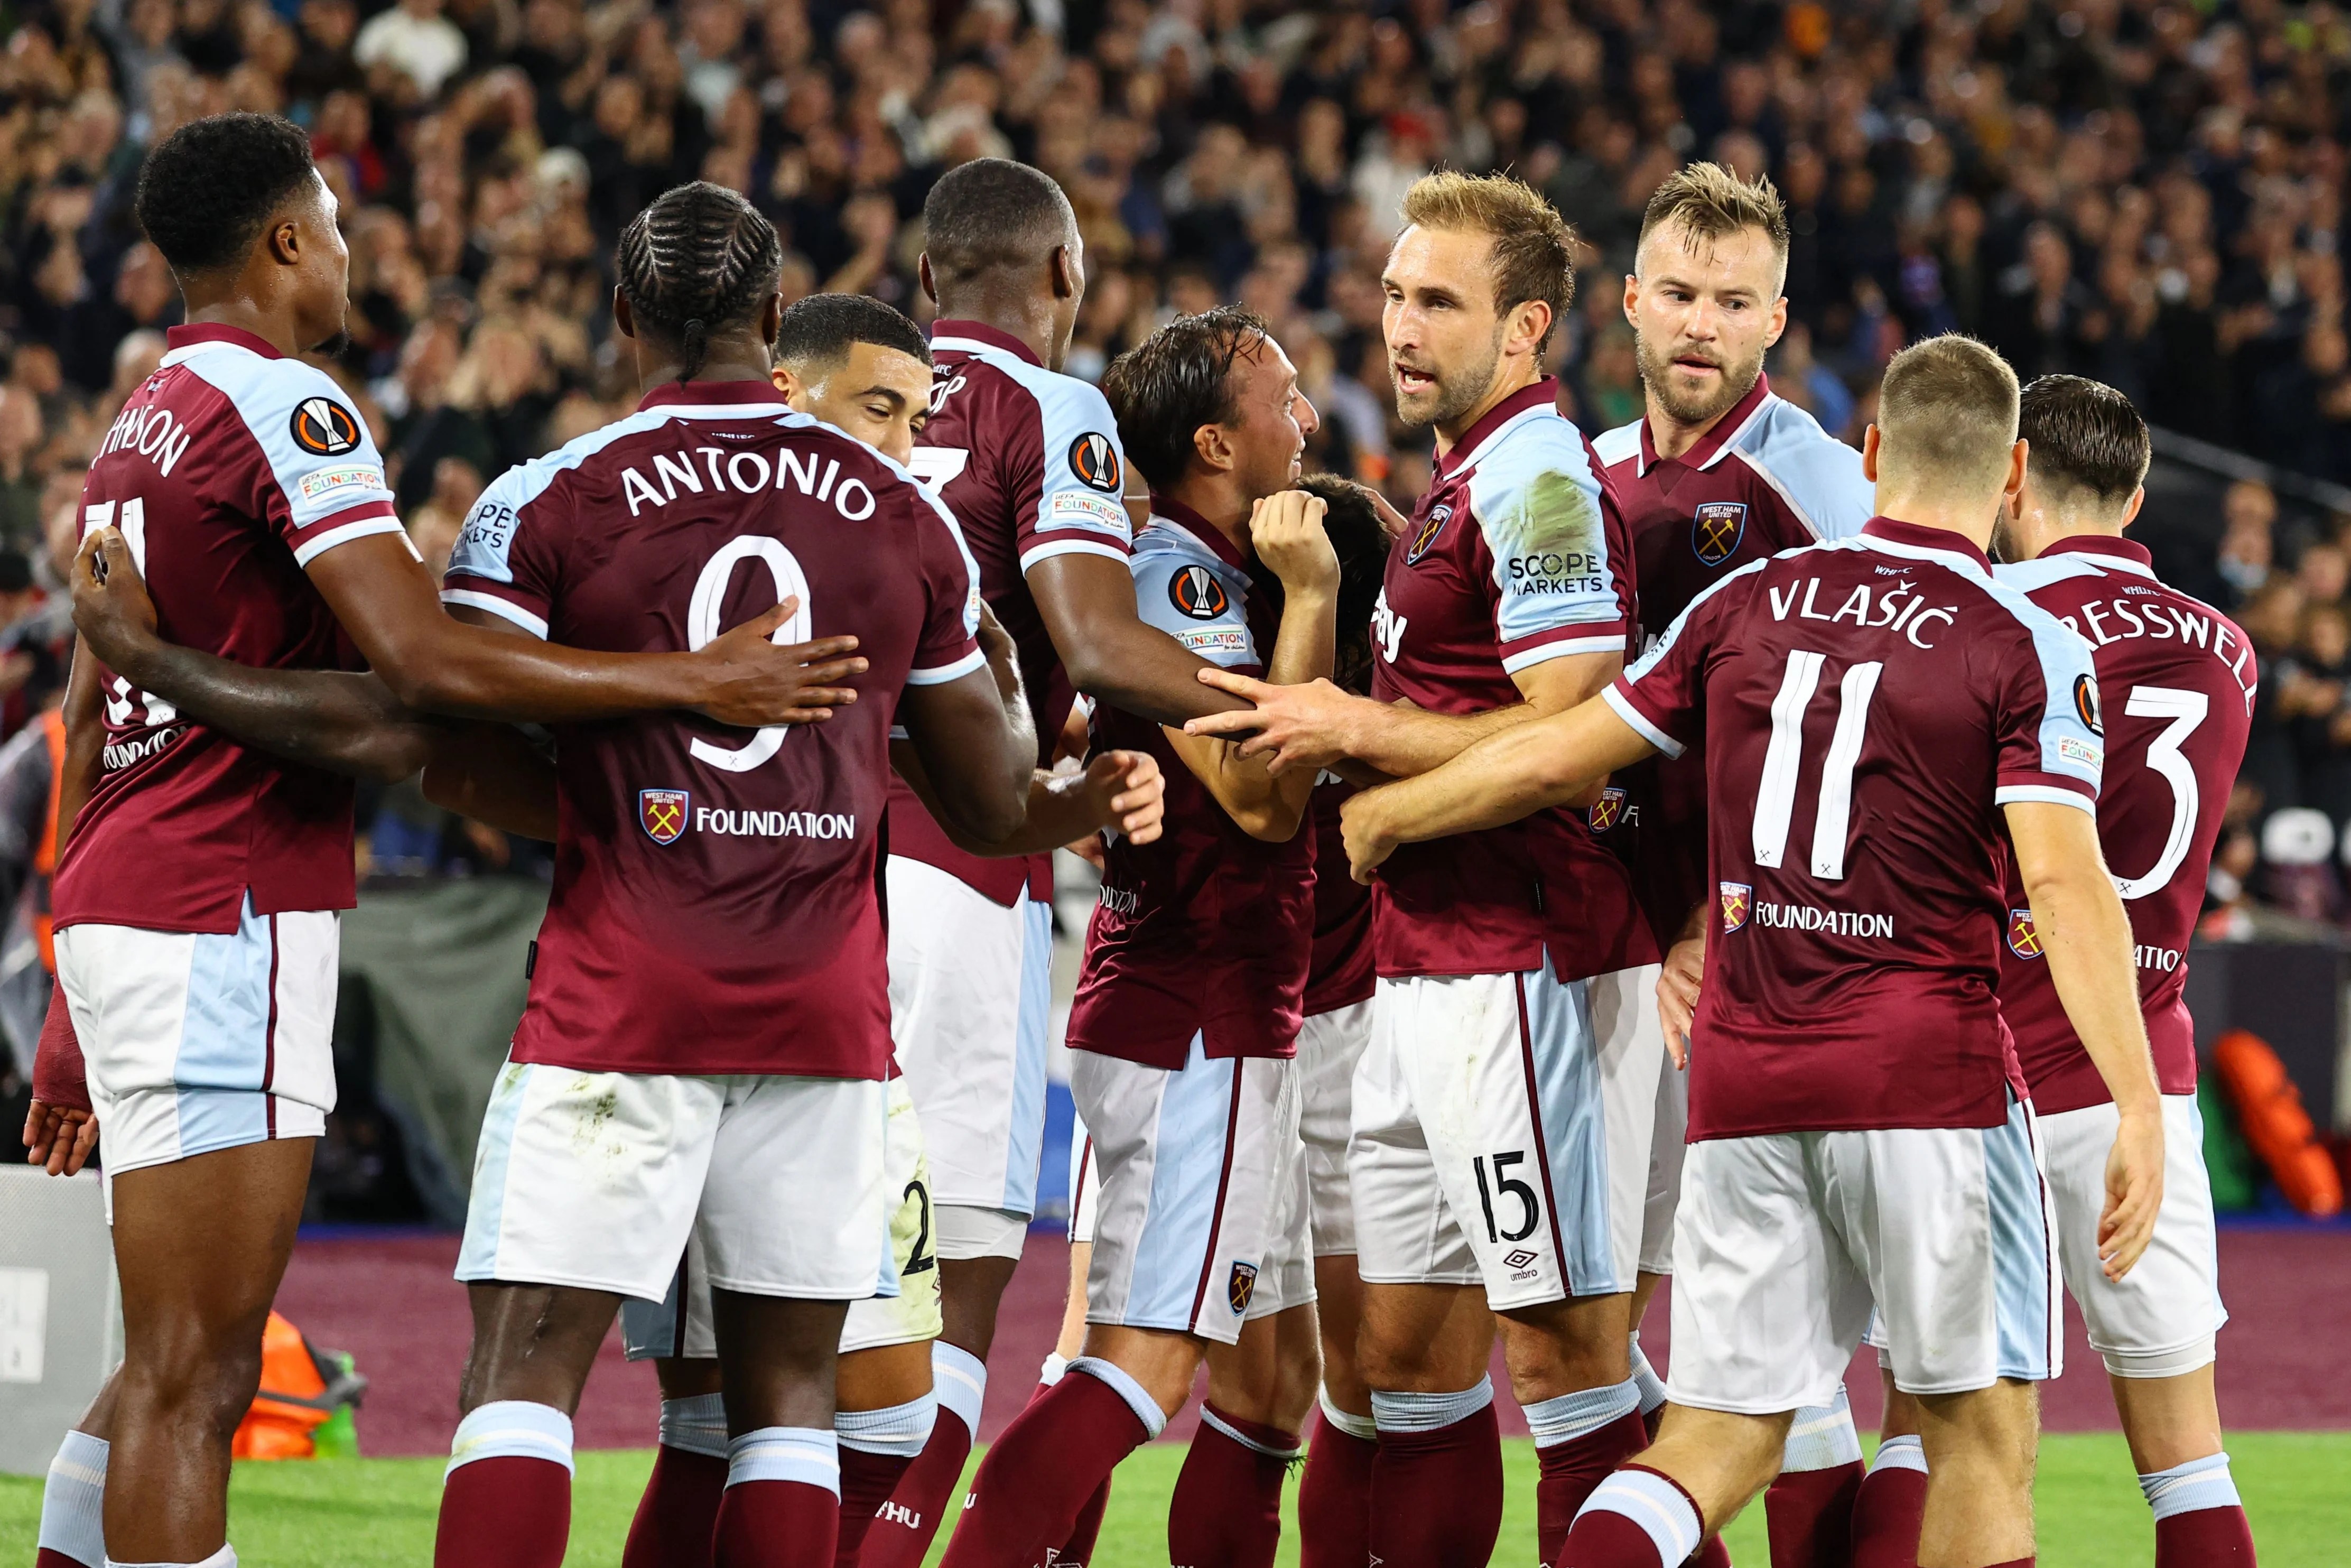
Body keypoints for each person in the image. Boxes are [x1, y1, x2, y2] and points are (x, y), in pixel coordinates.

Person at [25, 117, 844, 1568]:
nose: (350, 254)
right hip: (223, 906)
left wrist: (66, 1021)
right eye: (334, 226)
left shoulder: (141, 414)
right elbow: (422, 668)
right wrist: (694, 680)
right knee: (196, 1377)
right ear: (286, 241)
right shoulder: (288, 404)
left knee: (156, 1365)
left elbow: (93, 712)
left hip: (129, 907)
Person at [1340, 334, 2168, 1568]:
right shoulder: (2024, 639)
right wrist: (2136, 1101)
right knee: (1979, 1439)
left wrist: (1391, 810)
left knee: (1714, 1437)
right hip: (1925, 1077)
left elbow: (1562, 749)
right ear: (2009, 478)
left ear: (1871, 452)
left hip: (1743, 1074)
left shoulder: (1746, 601)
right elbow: (2060, 879)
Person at [416, 179, 1043, 1566]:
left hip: (618, 992)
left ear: (621, 316)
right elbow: (992, 802)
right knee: (790, 1405)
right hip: (823, 1011)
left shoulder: (545, 497)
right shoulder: (903, 512)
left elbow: (449, 740)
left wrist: (626, 796)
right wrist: (1042, 749)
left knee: (523, 1378)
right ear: (775, 314)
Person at [611, 290, 1167, 1568]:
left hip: (703, 956)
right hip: (862, 938)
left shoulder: (648, 501)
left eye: (914, 419)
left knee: (706, 1408)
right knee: (894, 1357)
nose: (909, 444)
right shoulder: (983, 467)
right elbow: (1056, 676)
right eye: (885, 413)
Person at [1184, 171, 1660, 1568]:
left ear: (1524, 330)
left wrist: (1364, 745)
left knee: (1564, 1359)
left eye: (1438, 302)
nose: (1400, 326)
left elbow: (1581, 721)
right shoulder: (1459, 480)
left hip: (1522, 967)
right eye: (1394, 295)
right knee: (1401, 1362)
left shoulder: (1541, 481)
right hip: (1422, 975)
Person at [864, 157, 1251, 1568]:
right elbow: (1092, 641)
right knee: (953, 1309)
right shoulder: (1049, 406)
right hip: (959, 866)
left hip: (793, 871)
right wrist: (1289, 710)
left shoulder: (845, 399)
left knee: (804, 1316)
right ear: (1063, 276)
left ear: (925, 279)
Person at [942, 305, 1338, 1568]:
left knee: (1269, 1376)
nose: (1308, 418)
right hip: (1197, 1019)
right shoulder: (1179, 576)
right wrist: (1316, 592)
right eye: (1283, 396)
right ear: (1215, 443)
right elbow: (1264, 798)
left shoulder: (1188, 566)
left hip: (1192, 1010)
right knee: (1144, 1361)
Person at [1849, 376, 2257, 1568]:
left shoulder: (1975, 620)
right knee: (2188, 1460)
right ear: (2134, 496)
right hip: (2142, 1077)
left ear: (2011, 472)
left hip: (1982, 1072)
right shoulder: (2229, 650)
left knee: (1926, 1430)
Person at [1590, 161, 1876, 1568]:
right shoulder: (1578, 474)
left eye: (1732, 300)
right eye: (1680, 293)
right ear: (1630, 301)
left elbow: (1885, 712)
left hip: (1756, 960)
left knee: (1772, 1349)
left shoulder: (1816, 482)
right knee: (1584, 1320)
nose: (1700, 323)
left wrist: (1724, 913)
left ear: (1775, 321)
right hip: (1599, 944)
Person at [1280, 472, 1392, 1568]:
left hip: (1197, 1034)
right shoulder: (1388, 724)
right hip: (1344, 1046)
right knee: (1360, 1392)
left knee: (1125, 1362)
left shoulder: (1210, 672)